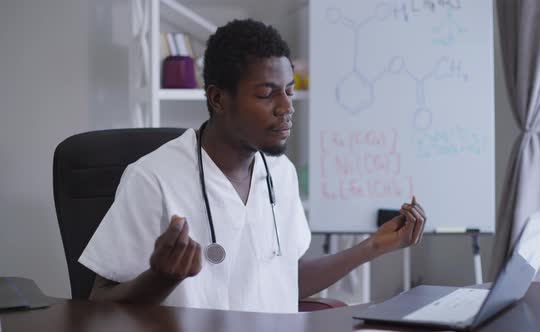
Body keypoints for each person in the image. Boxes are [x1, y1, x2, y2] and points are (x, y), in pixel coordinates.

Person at [79, 19, 426, 313]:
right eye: (266, 94)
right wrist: (162, 278)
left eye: (289, 91)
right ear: (218, 99)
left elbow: (284, 280)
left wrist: (373, 246)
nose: (286, 106)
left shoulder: (281, 173)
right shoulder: (152, 179)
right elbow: (99, 305)